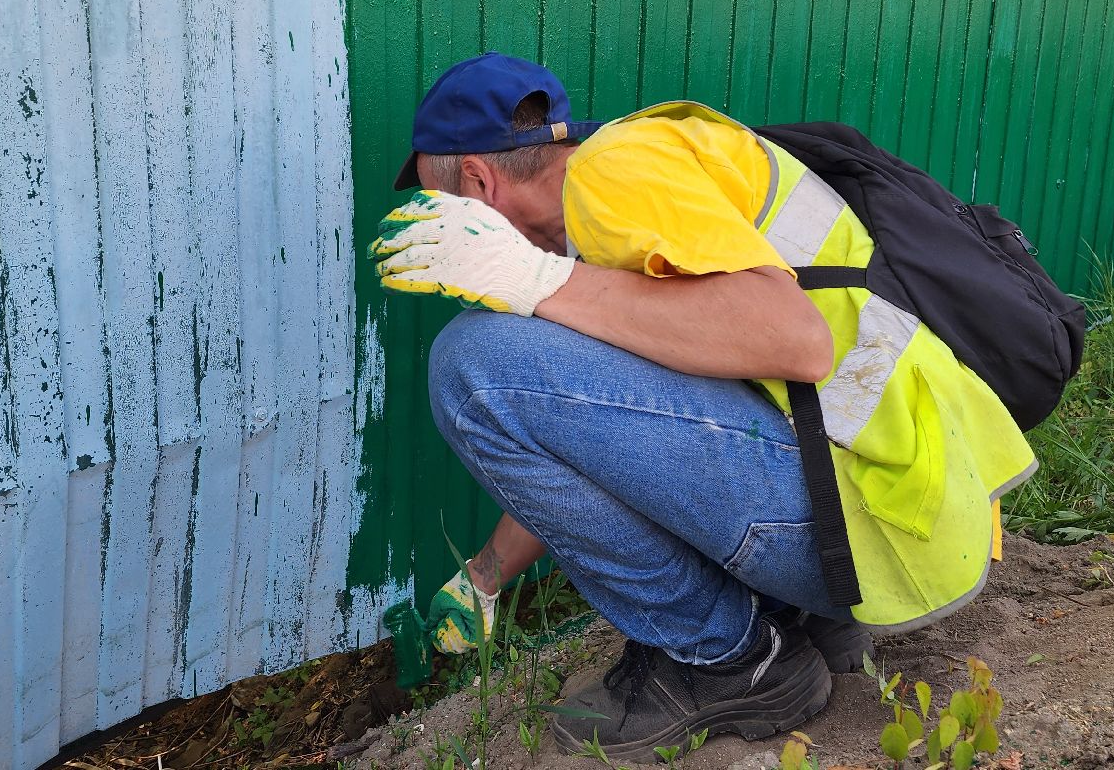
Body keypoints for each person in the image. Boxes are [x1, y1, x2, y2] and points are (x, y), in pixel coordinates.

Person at [371, 52, 1037, 759]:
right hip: (901, 505)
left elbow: (796, 340)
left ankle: (731, 660)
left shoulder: (610, 179)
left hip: (867, 520)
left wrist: (535, 279)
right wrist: (487, 576)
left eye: (442, 213)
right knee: (504, 362)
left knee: (468, 364)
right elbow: (633, 428)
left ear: (477, 179)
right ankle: (798, 617)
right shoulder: (627, 188)